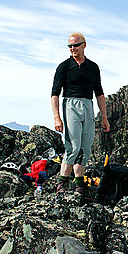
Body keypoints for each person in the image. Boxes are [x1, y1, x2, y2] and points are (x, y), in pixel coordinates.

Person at [51, 32, 110, 196]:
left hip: (88, 105)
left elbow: (99, 92)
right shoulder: (64, 67)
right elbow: (55, 93)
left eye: (75, 45)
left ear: (84, 45)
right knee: (73, 146)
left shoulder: (93, 67)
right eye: (69, 46)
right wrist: (57, 117)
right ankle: (62, 183)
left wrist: (104, 116)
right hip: (71, 104)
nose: (72, 49)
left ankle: (79, 184)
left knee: (85, 146)